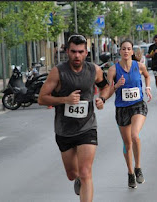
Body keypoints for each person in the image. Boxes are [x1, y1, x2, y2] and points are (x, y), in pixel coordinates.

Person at [38, 34, 110, 201]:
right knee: (73, 174)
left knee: (86, 172)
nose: (76, 55)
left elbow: (106, 87)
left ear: (86, 53)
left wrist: (102, 99)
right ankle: (77, 178)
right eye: (73, 52)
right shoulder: (58, 72)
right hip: (64, 129)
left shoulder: (94, 70)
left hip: (87, 127)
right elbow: (42, 98)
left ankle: (82, 181)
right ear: (67, 52)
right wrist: (65, 100)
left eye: (80, 52)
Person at [106, 39, 152, 189]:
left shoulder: (139, 66)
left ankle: (138, 168)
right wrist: (116, 86)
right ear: (119, 51)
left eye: (129, 49)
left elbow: (147, 76)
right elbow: (107, 91)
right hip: (122, 108)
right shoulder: (113, 70)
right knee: (127, 143)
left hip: (138, 105)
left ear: (132, 51)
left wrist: (148, 88)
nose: (126, 51)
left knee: (134, 136)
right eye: (123, 49)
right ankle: (130, 173)